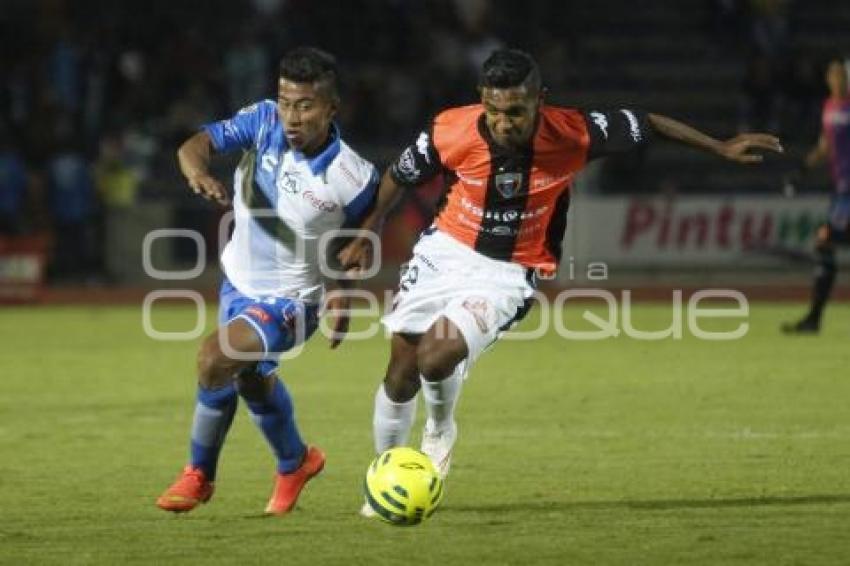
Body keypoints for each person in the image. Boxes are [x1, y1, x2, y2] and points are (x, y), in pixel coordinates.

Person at [337, 49, 782, 515]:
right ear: (481, 101)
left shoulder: (573, 131)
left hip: (507, 272)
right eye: (494, 110)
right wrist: (368, 229)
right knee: (399, 375)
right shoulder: (451, 130)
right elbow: (399, 174)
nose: (505, 122)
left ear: (539, 101)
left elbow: (648, 122)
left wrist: (719, 147)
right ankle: (386, 479)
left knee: (436, 356)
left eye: (516, 111)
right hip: (443, 252)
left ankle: (439, 428)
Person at [156, 47, 379, 515]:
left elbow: (358, 243)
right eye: (285, 101)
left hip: (293, 301)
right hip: (237, 282)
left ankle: (198, 475)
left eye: (305, 105)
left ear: (331, 108)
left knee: (215, 358)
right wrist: (197, 172)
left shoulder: (352, 177)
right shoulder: (261, 122)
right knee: (251, 381)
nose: (291, 117)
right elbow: (193, 145)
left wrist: (343, 297)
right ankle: (296, 462)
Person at [782, 57, 850, 334]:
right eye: (833, 76)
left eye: (841, 75)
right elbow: (825, 145)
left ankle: (813, 319)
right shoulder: (829, 106)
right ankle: (813, 320)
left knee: (825, 243)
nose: (837, 80)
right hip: (840, 190)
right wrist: (801, 170)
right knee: (826, 246)